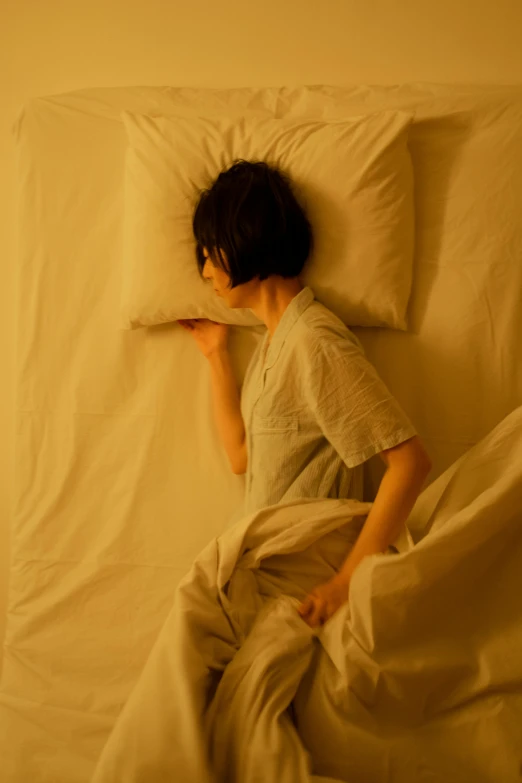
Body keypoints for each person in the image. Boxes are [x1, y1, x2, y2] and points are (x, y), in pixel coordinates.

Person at [178, 159, 432, 627]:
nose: (206, 270)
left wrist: (344, 584)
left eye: (209, 252)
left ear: (245, 237)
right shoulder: (272, 347)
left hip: (298, 579)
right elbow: (240, 456)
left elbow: (410, 463)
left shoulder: (315, 343)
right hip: (257, 573)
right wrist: (217, 356)